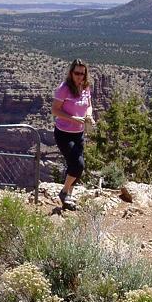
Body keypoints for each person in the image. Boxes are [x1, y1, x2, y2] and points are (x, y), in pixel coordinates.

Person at [51, 59, 94, 211]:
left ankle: (68, 197)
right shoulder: (64, 89)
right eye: (77, 73)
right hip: (64, 133)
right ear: (71, 73)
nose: (79, 76)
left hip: (79, 133)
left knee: (75, 166)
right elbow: (55, 110)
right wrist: (73, 118)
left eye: (82, 73)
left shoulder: (85, 87)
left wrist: (89, 116)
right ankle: (64, 192)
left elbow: (89, 105)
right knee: (78, 164)